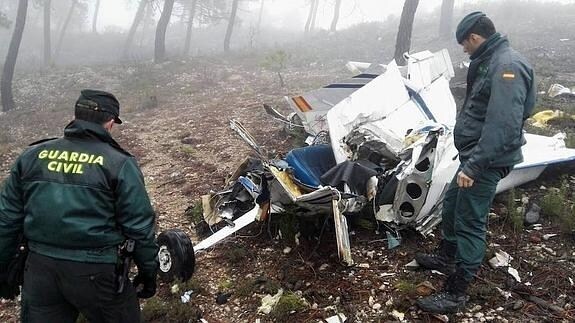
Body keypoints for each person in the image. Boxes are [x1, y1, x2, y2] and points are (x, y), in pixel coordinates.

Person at [0, 90, 159, 322]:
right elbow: (139, 225)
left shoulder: (32, 156)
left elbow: (6, 219)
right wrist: (149, 271)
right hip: (97, 272)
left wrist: (3, 267)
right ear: (111, 122)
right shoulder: (119, 163)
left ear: (75, 116)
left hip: (39, 270)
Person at [415, 12, 536, 314]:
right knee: (454, 204)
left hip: (485, 160)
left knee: (470, 221)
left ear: (474, 37)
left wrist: (475, 165)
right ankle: (447, 256)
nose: (463, 50)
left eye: (463, 45)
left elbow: (505, 126)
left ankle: (457, 292)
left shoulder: (505, 66)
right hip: (476, 155)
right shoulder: (491, 61)